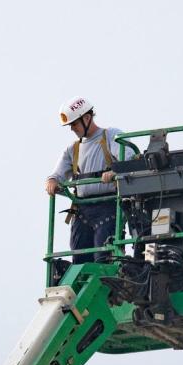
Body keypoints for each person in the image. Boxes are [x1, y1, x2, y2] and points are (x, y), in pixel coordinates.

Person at [46, 96, 135, 263]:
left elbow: (128, 159)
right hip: (82, 211)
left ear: (87, 118)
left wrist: (114, 171)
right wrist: (51, 181)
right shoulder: (73, 149)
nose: (72, 129)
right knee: (80, 261)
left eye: (75, 124)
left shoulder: (111, 135)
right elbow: (56, 175)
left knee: (104, 258)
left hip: (108, 207)